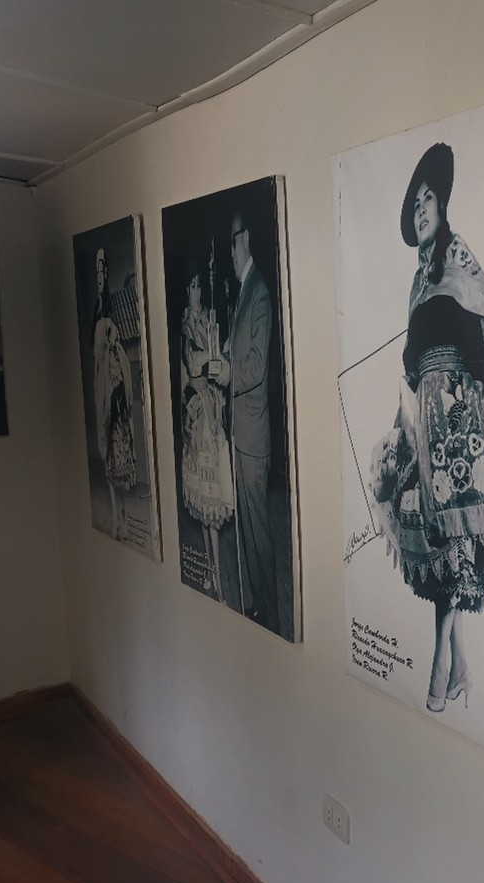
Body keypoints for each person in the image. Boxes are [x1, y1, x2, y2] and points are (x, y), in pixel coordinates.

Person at [371, 142, 484, 713]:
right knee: (437, 538)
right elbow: (411, 359)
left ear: (443, 204)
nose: (421, 210)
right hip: (426, 418)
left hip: (462, 415)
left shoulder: (458, 258)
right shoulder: (419, 280)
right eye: (414, 204)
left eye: (428, 200)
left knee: (453, 539)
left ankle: (440, 663)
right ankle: (460, 666)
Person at [212, 213, 278, 630]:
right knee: (248, 531)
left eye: (233, 243)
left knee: (260, 532)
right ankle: (257, 607)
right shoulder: (243, 291)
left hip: (254, 436)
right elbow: (241, 351)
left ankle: (272, 616)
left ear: (246, 238)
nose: (230, 253)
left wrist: (228, 371)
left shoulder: (259, 292)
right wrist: (224, 351)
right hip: (241, 432)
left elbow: (256, 365)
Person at [179, 256, 234, 600]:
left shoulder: (208, 319)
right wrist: (208, 360)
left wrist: (217, 355)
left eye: (200, 285)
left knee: (214, 499)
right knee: (201, 502)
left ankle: (218, 577)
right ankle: (211, 573)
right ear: (187, 291)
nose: (197, 291)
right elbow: (191, 365)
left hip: (212, 409)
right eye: (193, 286)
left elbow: (214, 362)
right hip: (196, 415)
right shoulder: (186, 324)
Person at [91, 248, 136, 539]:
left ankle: (124, 516)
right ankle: (116, 518)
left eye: (103, 272)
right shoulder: (97, 314)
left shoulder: (112, 312)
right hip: (104, 394)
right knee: (107, 460)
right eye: (97, 273)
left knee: (118, 462)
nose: (100, 277)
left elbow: (116, 352)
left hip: (116, 398)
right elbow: (97, 358)